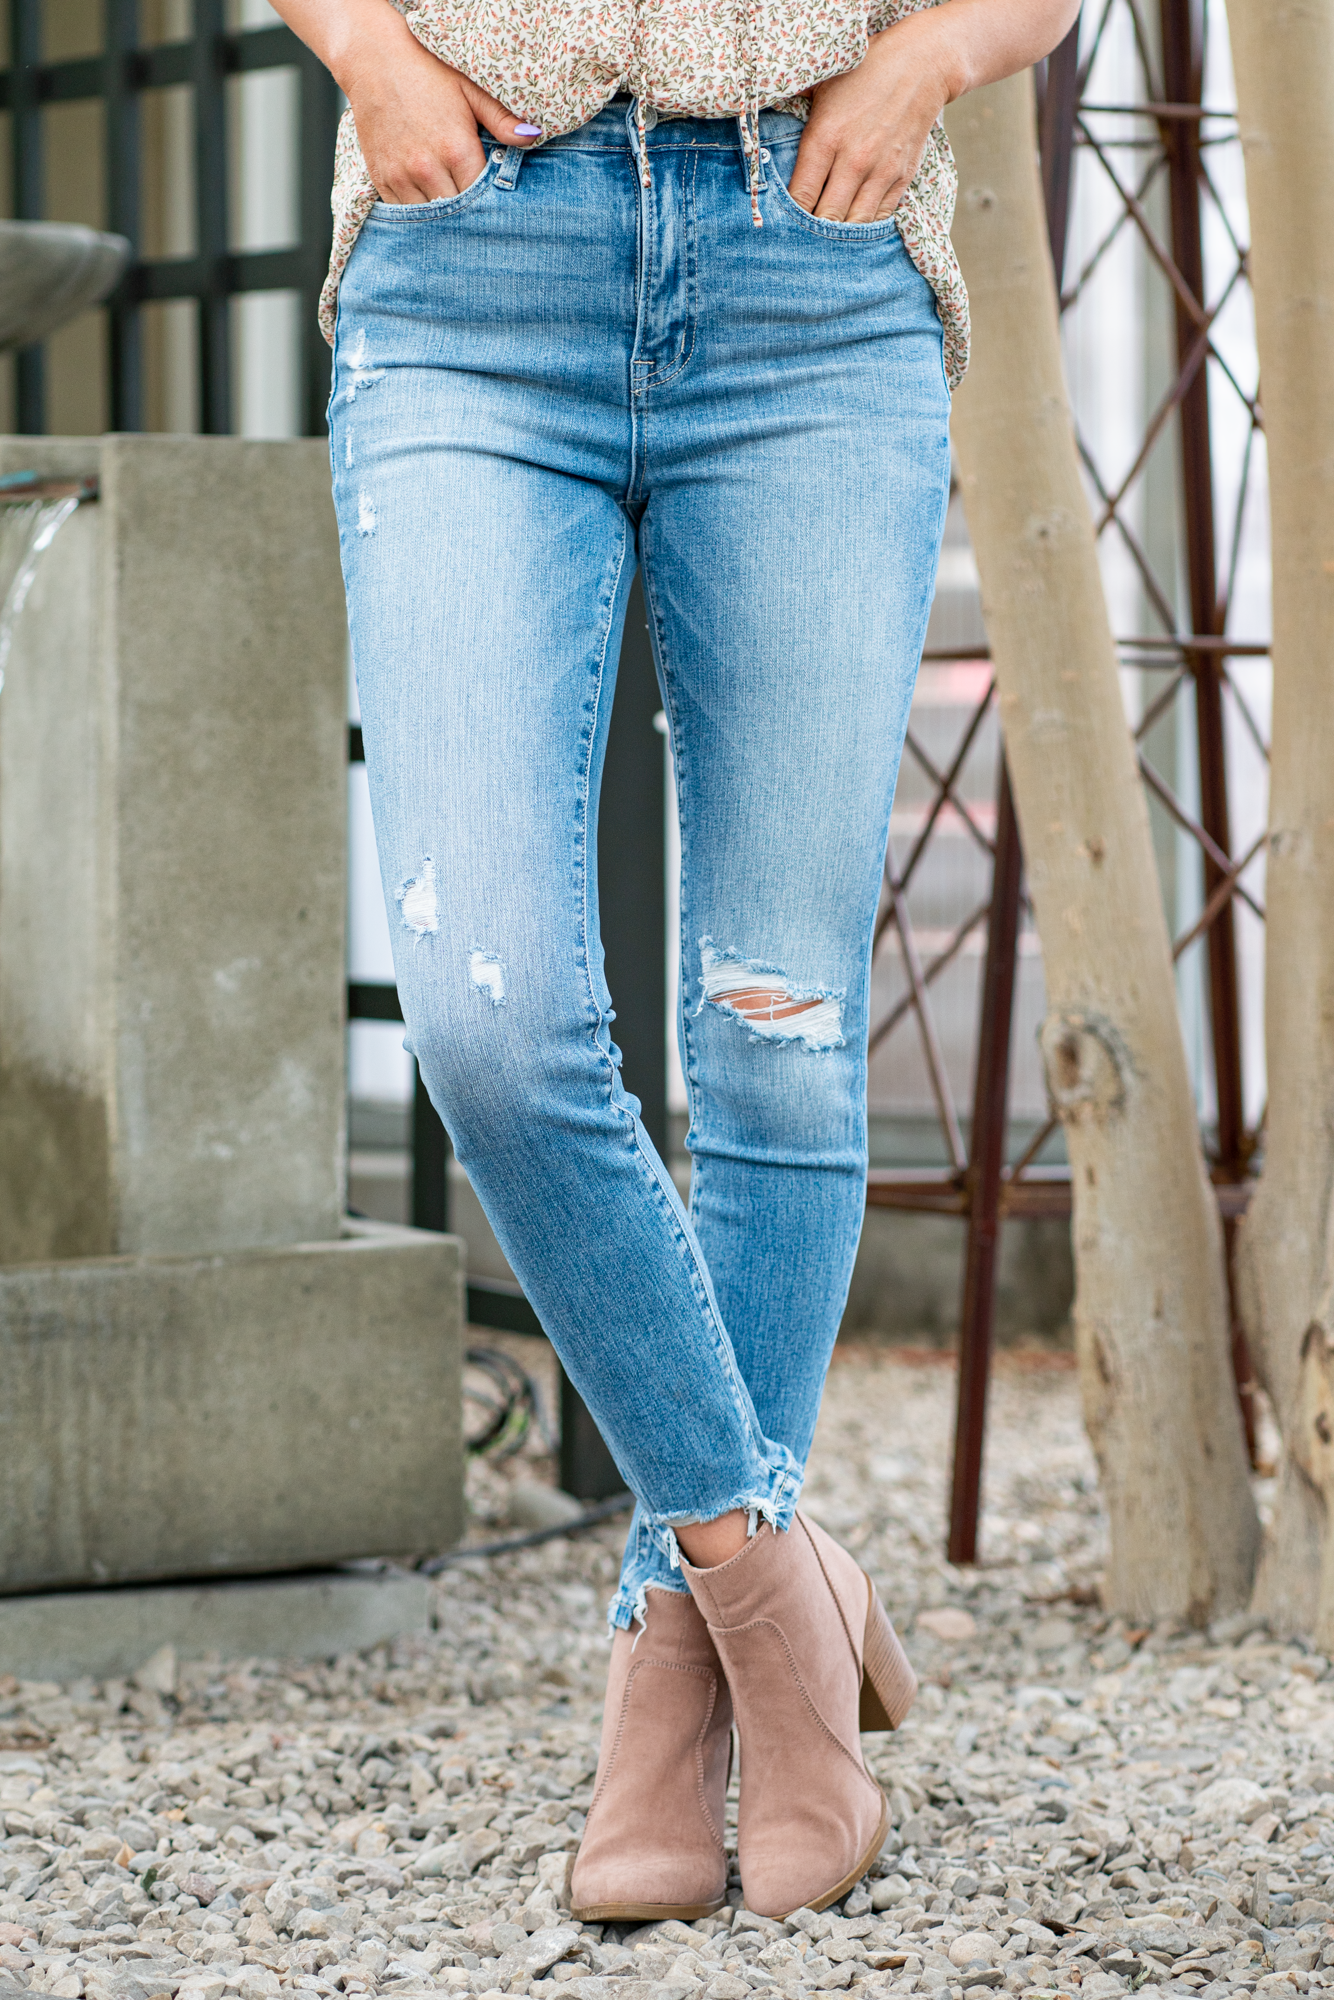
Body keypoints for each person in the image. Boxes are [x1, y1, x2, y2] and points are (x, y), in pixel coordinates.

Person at [274, 0, 1079, 1922]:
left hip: (814, 268)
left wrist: (924, 66)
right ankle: (770, 1593)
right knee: (488, 1020)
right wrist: (363, 51)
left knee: (776, 1027)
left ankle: (667, 1677)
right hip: (471, 266)